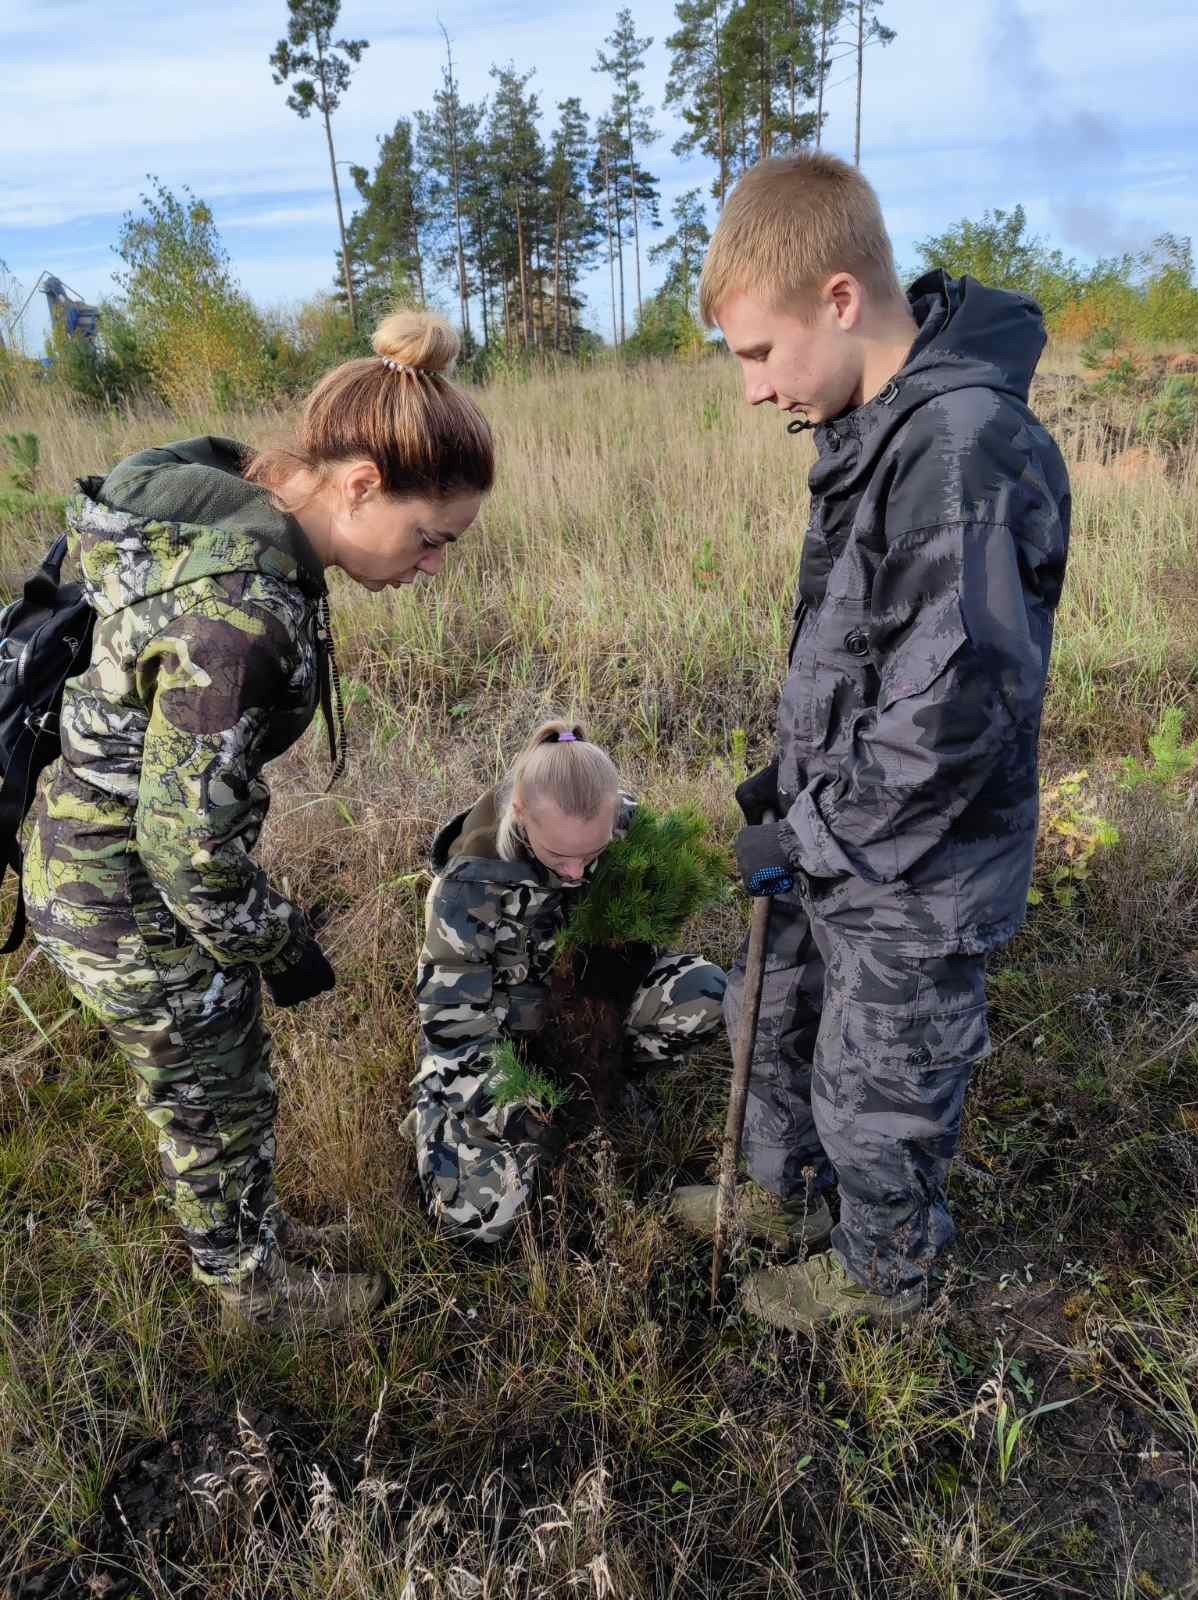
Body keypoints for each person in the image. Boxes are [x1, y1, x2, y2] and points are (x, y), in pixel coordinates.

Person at [24, 311, 494, 1332]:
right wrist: (281, 944)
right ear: (362, 483)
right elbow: (187, 847)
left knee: (210, 1078)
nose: (430, 568)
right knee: (214, 1088)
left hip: (84, 853)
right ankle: (250, 1291)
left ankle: (248, 1238)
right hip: (121, 890)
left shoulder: (236, 504)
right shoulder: (245, 613)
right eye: (428, 540)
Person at [670, 152, 1070, 1331]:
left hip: (918, 859)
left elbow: (956, 708)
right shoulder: (876, 428)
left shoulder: (965, 447)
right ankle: (786, 1201)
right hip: (836, 824)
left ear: (840, 301)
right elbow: (866, 647)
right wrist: (785, 791)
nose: (750, 389)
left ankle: (883, 1277)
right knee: (778, 1012)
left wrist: (820, 827)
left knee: (879, 1079)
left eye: (757, 352)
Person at [409, 719, 727, 1244]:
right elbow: (454, 1033)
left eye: (593, 855)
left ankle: (600, 1085)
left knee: (705, 993)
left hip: (586, 1015)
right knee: (484, 1222)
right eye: (560, 857)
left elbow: (647, 904)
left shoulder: (615, 819)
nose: (578, 873)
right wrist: (514, 1114)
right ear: (520, 816)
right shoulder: (468, 891)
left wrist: (624, 958)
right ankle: (440, 1120)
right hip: (501, 1050)